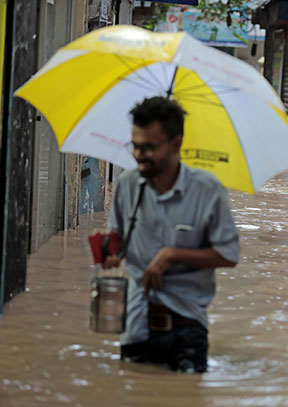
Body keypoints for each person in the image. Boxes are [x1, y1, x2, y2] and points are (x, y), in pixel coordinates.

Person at [102, 97, 240, 373]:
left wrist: (172, 254)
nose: (139, 155)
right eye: (136, 146)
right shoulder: (128, 184)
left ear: (176, 143)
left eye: (149, 148)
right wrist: (107, 250)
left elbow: (229, 255)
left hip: (187, 327)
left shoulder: (207, 190)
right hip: (135, 325)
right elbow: (116, 241)